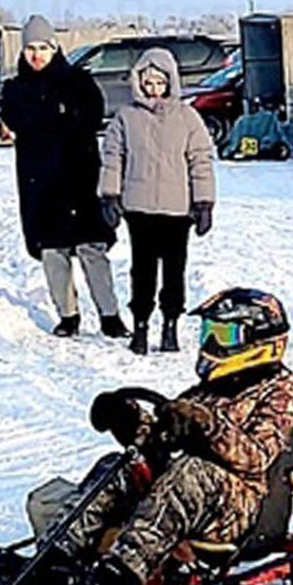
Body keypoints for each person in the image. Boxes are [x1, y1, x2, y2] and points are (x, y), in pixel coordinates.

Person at [30, 288, 293, 585]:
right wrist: (129, 420)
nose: (212, 344)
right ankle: (55, 559)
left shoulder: (280, 391)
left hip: (240, 506)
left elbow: (257, 456)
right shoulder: (209, 390)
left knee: (191, 472)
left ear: (259, 341)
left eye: (224, 334)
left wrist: (204, 425)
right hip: (192, 496)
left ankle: (120, 575)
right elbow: (162, 438)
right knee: (117, 465)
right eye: (209, 333)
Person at [0, 14, 126, 339]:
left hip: (80, 176)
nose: (37, 55)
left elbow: (89, 116)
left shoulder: (78, 82)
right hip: (39, 181)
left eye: (43, 47)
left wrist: (54, 121)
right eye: (30, 48)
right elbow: (17, 119)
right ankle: (67, 315)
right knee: (52, 251)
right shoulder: (15, 89)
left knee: (91, 247)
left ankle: (110, 315)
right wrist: (53, 119)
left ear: (55, 48)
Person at [99, 48, 217, 355]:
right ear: (139, 83)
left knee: (174, 270)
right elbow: (113, 157)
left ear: (171, 82)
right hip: (139, 209)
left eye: (160, 83)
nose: (154, 89)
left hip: (178, 210)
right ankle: (140, 326)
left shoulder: (188, 118)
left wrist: (203, 203)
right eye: (147, 83)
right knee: (143, 271)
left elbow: (200, 160)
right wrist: (109, 195)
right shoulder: (126, 118)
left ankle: (170, 326)